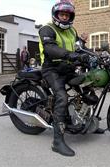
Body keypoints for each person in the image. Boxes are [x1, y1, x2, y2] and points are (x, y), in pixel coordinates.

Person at [38, 0, 103, 157]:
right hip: (51, 69)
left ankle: (88, 121)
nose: (65, 17)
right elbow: (50, 48)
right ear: (56, 15)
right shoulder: (47, 29)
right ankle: (57, 141)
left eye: (67, 15)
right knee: (62, 98)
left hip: (67, 68)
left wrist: (95, 55)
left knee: (88, 86)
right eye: (62, 14)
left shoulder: (72, 31)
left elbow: (80, 47)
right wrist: (71, 56)